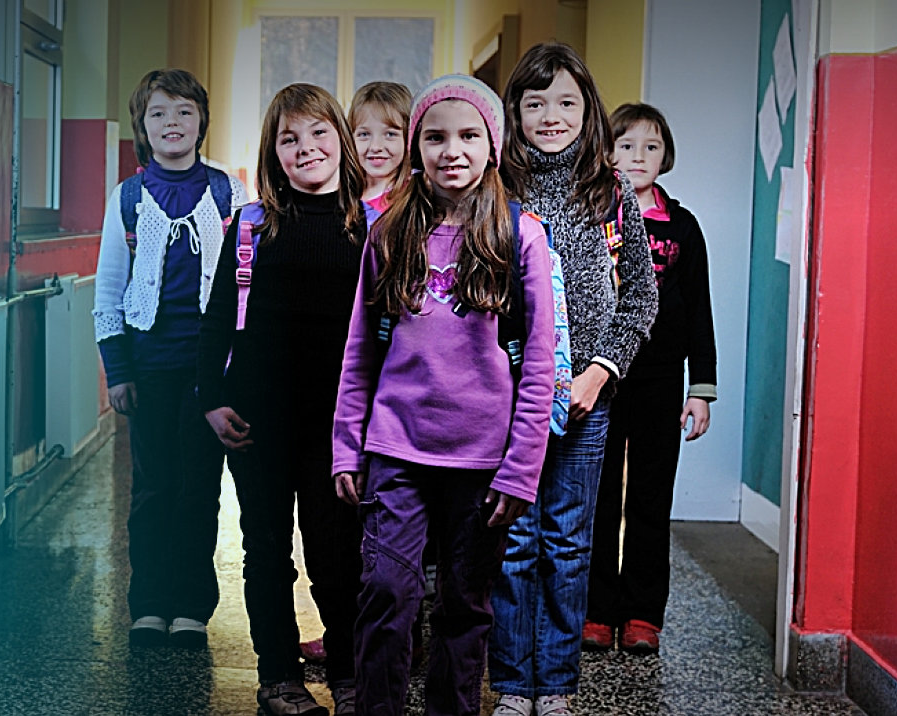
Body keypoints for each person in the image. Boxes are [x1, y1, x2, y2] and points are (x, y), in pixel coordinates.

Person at [333, 73, 557, 716]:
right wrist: (348, 448)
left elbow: (539, 366)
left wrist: (520, 471)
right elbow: (360, 353)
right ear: (415, 147)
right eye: (434, 137)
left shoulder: (521, 237)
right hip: (396, 450)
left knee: (464, 607)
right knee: (386, 593)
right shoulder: (388, 234)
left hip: (483, 464)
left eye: (467, 135)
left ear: (493, 145)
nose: (450, 150)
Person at [488, 43, 659, 716]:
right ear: (515, 112)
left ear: (587, 110)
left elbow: (640, 296)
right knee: (514, 542)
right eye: (535, 104)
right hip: (508, 405)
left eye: (566, 102)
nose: (551, 116)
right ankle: (510, 684)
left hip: (586, 403)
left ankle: (554, 686)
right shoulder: (494, 191)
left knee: (566, 545)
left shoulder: (611, 194)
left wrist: (600, 372)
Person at [199, 81, 373, 716]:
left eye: (319, 133)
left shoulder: (370, 228)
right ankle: (277, 676)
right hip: (257, 419)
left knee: (337, 555)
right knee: (266, 550)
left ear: (342, 140)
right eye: (289, 139)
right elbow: (216, 318)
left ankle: (352, 672)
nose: (306, 148)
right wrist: (211, 400)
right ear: (273, 153)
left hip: (337, 424)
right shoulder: (251, 225)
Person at [92, 68, 245, 649]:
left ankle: (190, 607)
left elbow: (245, 288)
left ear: (201, 121)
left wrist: (238, 373)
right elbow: (109, 289)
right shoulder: (127, 198)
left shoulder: (230, 193)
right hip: (150, 367)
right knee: (153, 488)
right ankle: (149, 603)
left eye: (184, 111)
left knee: (199, 488)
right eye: (159, 113)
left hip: (210, 371)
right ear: (143, 126)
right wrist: (118, 369)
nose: (172, 123)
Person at [583, 103, 719, 655]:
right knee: (596, 495)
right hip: (602, 380)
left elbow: (699, 311)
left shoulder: (683, 227)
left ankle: (642, 614)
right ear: (606, 152)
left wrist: (701, 388)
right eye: (626, 145)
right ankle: (595, 610)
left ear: (666, 158)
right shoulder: (593, 219)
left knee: (649, 497)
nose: (638, 157)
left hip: (663, 379)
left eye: (651, 147)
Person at [349, 81, 413, 212]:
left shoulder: (413, 198)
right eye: (364, 134)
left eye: (390, 134)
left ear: (408, 138)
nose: (375, 147)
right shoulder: (345, 194)